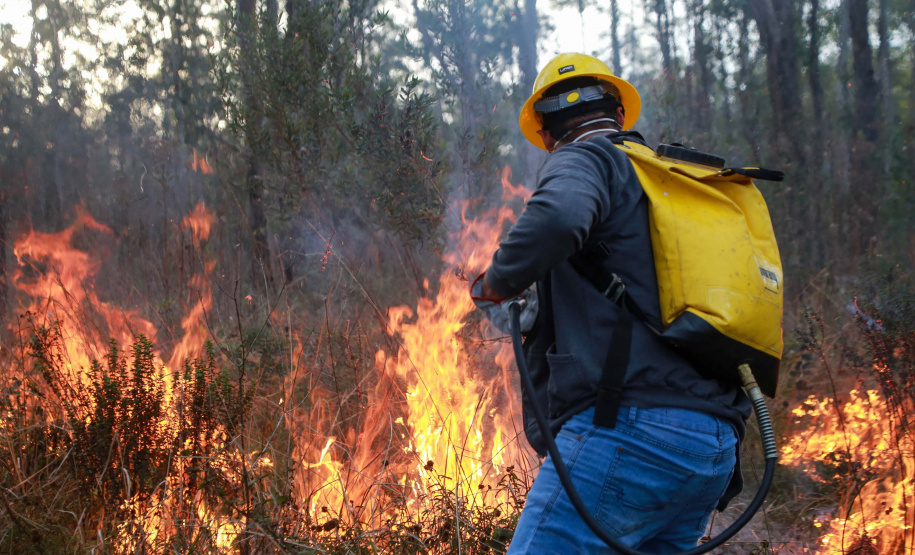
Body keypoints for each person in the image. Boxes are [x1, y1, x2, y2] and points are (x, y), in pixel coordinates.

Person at [470, 53, 752, 553]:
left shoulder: (588, 157)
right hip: (714, 444)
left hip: (630, 430)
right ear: (621, 114)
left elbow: (558, 218)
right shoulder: (675, 181)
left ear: (547, 135)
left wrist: (494, 283)